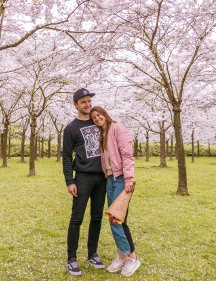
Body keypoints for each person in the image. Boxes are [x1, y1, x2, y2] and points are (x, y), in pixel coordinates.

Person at [90, 106, 141, 277]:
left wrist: (128, 179)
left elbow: (127, 155)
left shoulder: (118, 130)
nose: (97, 119)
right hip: (110, 180)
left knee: (117, 219)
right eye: (94, 118)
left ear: (105, 114)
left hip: (121, 179)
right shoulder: (102, 135)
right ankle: (121, 256)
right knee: (113, 219)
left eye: (99, 115)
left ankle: (132, 258)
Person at [62, 88, 106, 276]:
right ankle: (71, 258)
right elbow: (65, 156)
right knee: (77, 218)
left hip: (102, 177)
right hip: (82, 177)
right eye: (83, 102)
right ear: (75, 105)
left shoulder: (99, 122)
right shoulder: (70, 129)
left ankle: (92, 253)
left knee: (96, 217)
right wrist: (69, 181)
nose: (87, 104)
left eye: (89, 101)